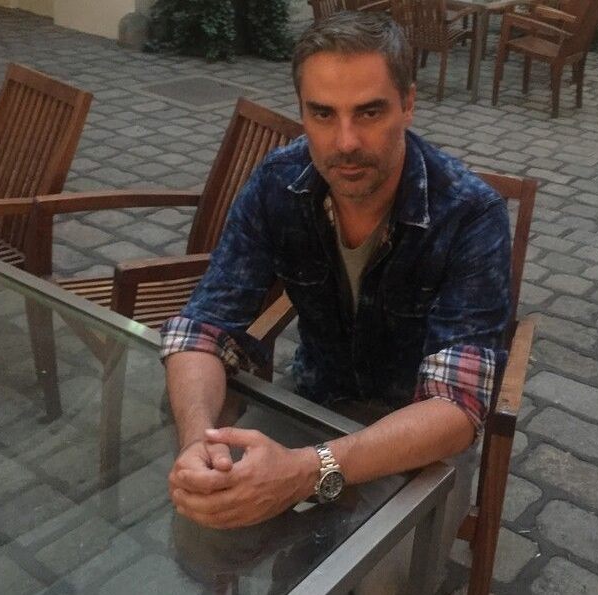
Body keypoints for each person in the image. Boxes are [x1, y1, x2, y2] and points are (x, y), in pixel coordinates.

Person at [160, 9, 511, 591]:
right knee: (199, 528)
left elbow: (455, 407)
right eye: (323, 114)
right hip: (313, 400)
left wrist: (306, 472)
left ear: (408, 104)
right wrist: (199, 443)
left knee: (374, 581)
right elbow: (202, 329)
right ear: (302, 111)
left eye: (369, 112)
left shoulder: (469, 214)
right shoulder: (278, 184)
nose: (345, 142)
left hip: (417, 439)